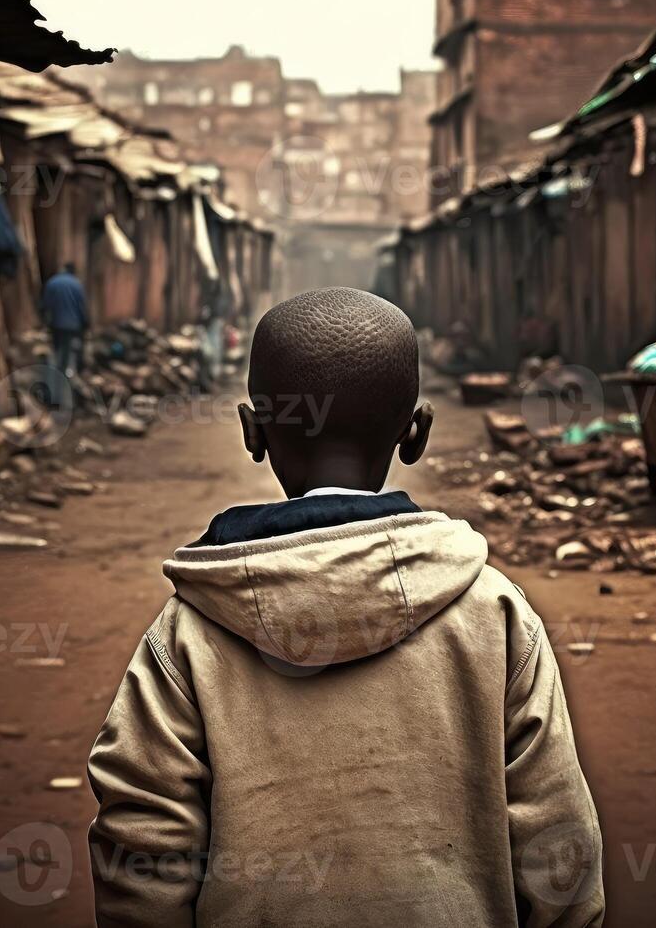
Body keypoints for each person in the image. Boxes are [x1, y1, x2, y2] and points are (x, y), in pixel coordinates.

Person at [88, 287, 604, 927]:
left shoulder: (189, 633)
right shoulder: (494, 613)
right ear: (415, 434)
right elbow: (558, 843)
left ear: (253, 432)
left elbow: (142, 850)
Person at [40, 261, 87, 379]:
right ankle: (62, 373)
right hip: (72, 324)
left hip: (55, 323)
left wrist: (44, 320)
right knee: (66, 349)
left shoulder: (52, 282)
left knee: (57, 346)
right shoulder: (77, 285)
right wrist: (85, 322)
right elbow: (81, 306)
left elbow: (45, 304)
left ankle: (55, 371)